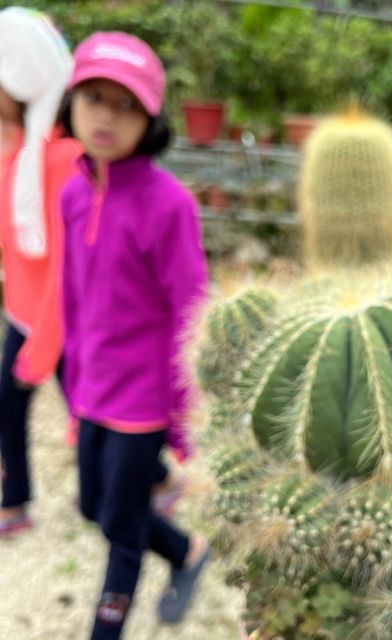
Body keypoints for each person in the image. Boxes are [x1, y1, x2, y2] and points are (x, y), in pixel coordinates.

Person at [60, 31, 210, 638]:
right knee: (93, 506)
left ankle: (107, 628)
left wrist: (185, 421)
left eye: (125, 103)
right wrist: (71, 387)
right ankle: (186, 551)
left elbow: (190, 312)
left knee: (121, 529)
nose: (107, 115)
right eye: (94, 96)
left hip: (141, 403)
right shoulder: (73, 192)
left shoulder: (168, 205)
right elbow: (73, 296)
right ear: (71, 102)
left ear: (149, 118)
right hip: (92, 388)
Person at [0, 6, 81, 537]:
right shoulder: (22, 150)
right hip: (24, 309)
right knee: (11, 406)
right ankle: (16, 500)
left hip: (58, 319)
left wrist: (44, 345)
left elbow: (68, 266)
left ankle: (156, 480)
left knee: (93, 412)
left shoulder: (62, 157)